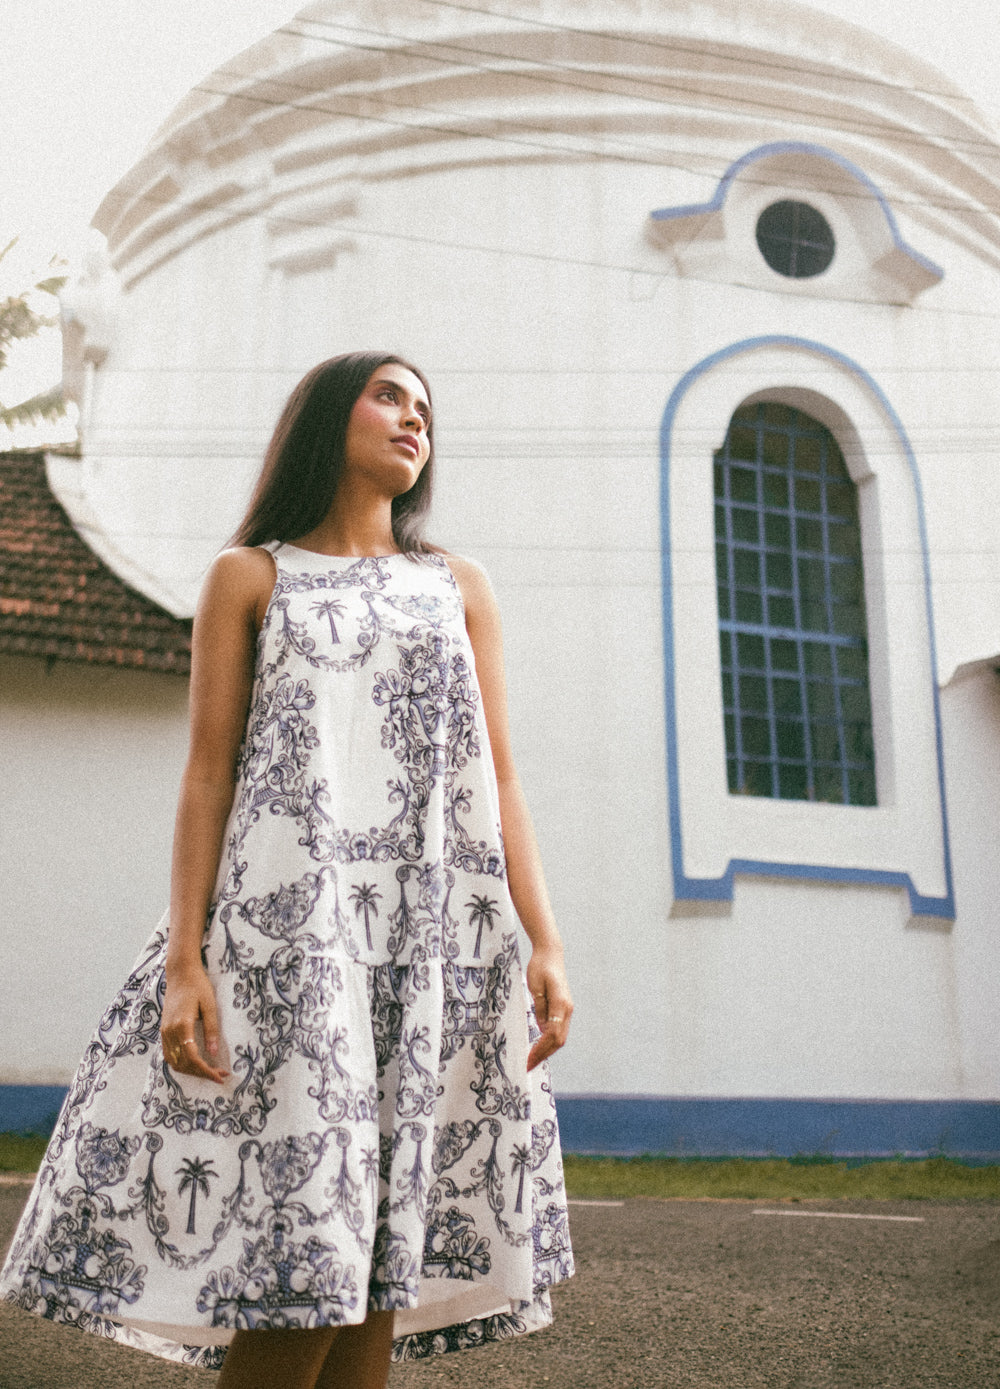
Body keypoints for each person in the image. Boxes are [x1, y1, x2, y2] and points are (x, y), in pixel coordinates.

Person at [0, 351, 575, 1389]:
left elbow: (501, 778)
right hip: (291, 944)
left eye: (427, 411)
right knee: (305, 1252)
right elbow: (207, 774)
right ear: (325, 418)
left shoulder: (457, 587)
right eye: (388, 396)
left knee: (380, 1269)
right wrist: (186, 959)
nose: (414, 421)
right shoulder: (251, 576)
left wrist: (544, 939)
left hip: (433, 944)